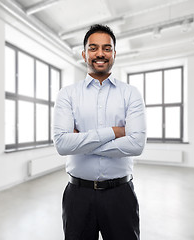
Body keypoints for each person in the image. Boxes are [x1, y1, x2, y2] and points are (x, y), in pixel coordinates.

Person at [53, 24, 146, 240]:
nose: (100, 54)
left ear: (114, 53)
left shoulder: (130, 94)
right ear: (84, 53)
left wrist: (82, 142)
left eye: (107, 48)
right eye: (93, 48)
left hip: (120, 195)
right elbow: (62, 144)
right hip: (78, 196)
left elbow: (136, 145)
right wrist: (115, 131)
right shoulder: (68, 94)